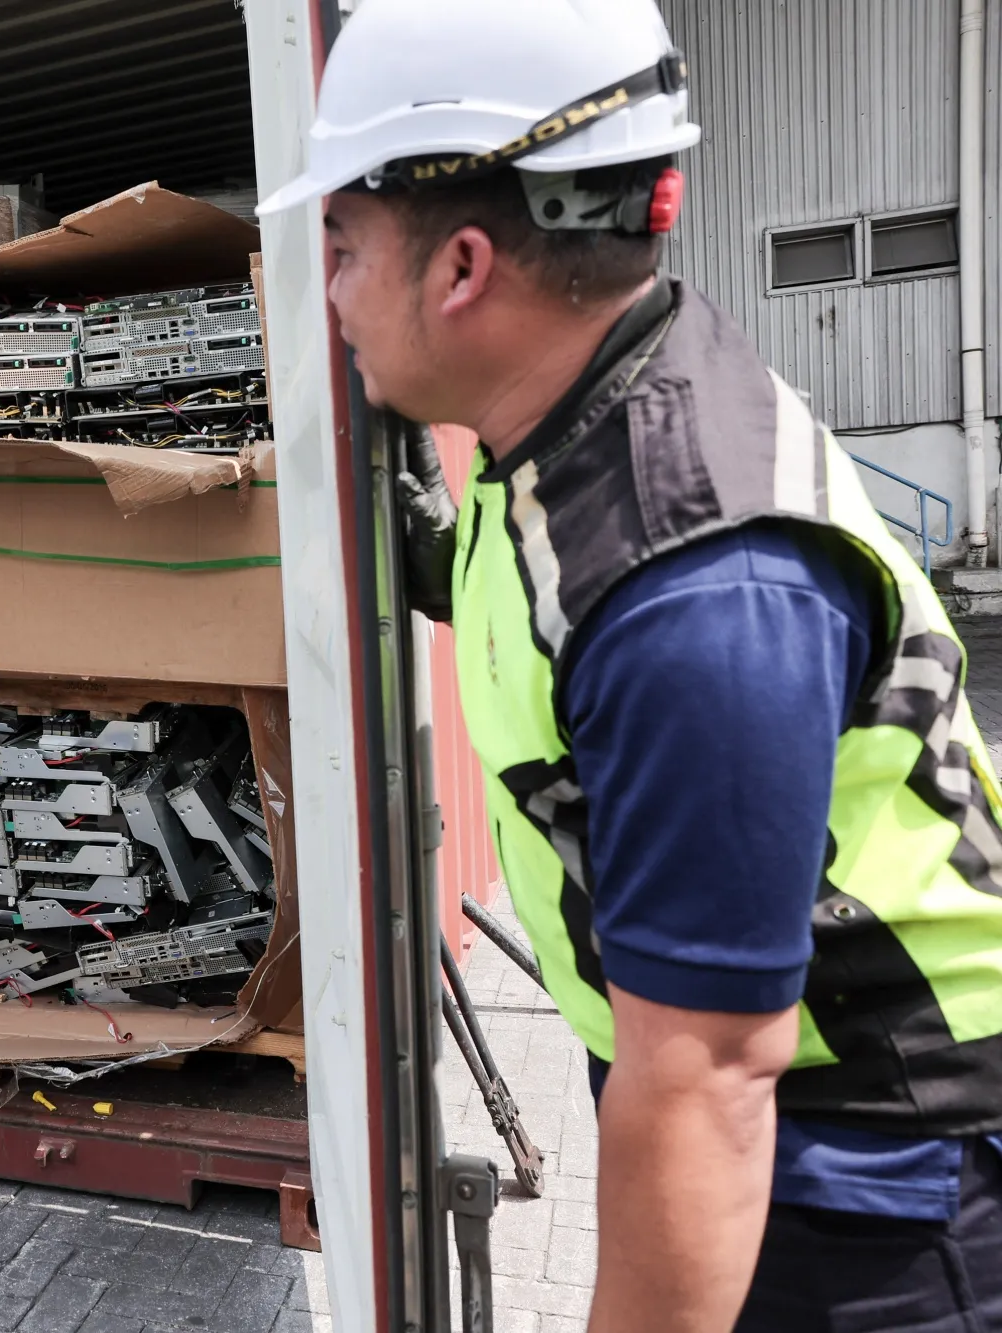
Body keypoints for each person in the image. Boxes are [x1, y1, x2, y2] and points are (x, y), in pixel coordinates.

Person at [260, 2, 1002, 1329]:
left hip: (872, 1170)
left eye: (344, 247)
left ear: (464, 267)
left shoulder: (696, 590)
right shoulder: (572, 413)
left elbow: (707, 1084)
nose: (329, 293)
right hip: (775, 1103)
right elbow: (542, 601)